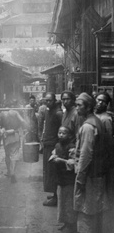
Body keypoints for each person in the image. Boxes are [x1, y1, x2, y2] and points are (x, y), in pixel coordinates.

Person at [74, 92, 109, 233]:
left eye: (79, 105)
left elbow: (86, 156)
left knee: (86, 214)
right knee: (95, 211)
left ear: (88, 108)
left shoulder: (88, 126)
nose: (77, 108)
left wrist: (80, 179)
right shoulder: (96, 121)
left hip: (90, 176)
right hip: (97, 174)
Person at [50, 126, 77, 233]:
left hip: (69, 180)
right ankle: (65, 222)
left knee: (69, 203)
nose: (61, 135)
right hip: (60, 179)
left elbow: (73, 164)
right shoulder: (57, 145)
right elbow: (54, 153)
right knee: (62, 202)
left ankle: (71, 225)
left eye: (64, 133)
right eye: (59, 132)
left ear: (69, 135)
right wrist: (53, 156)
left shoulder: (71, 147)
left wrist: (60, 160)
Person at [38, 92, 63, 206]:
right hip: (47, 144)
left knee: (53, 172)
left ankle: (56, 198)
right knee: (48, 172)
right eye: (46, 100)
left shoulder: (58, 113)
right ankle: (53, 194)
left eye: (50, 100)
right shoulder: (47, 111)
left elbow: (62, 131)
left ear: (54, 101)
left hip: (54, 145)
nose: (47, 102)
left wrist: (57, 147)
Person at [0, 109, 28, 183]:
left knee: (7, 155)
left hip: (6, 136)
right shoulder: (15, 112)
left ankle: (9, 171)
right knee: (14, 155)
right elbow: (23, 121)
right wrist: (26, 128)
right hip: (15, 135)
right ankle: (12, 172)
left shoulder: (2, 113)